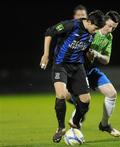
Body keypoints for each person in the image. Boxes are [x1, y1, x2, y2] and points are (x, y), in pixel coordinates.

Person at [40, 10, 105, 143]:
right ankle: (61, 128)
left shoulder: (91, 33)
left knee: (86, 100)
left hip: (77, 67)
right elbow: (49, 32)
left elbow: (84, 48)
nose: (96, 31)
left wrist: (89, 54)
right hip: (61, 65)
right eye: (95, 28)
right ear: (89, 21)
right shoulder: (71, 25)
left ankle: (75, 122)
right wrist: (46, 54)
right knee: (61, 94)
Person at [69, 9, 120, 137]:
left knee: (112, 93)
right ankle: (74, 127)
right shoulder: (91, 30)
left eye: (113, 28)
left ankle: (104, 125)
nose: (110, 30)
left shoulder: (109, 37)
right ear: (103, 21)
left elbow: (106, 60)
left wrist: (97, 55)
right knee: (83, 101)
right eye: (109, 26)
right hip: (77, 70)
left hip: (90, 70)